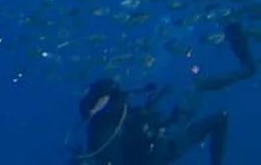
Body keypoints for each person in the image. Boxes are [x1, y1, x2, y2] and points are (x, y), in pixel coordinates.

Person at [73, 23, 255, 164]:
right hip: (162, 149)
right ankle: (247, 66)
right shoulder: (110, 122)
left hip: (157, 140)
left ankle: (246, 66)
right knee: (203, 97)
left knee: (197, 90)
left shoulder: (101, 125)